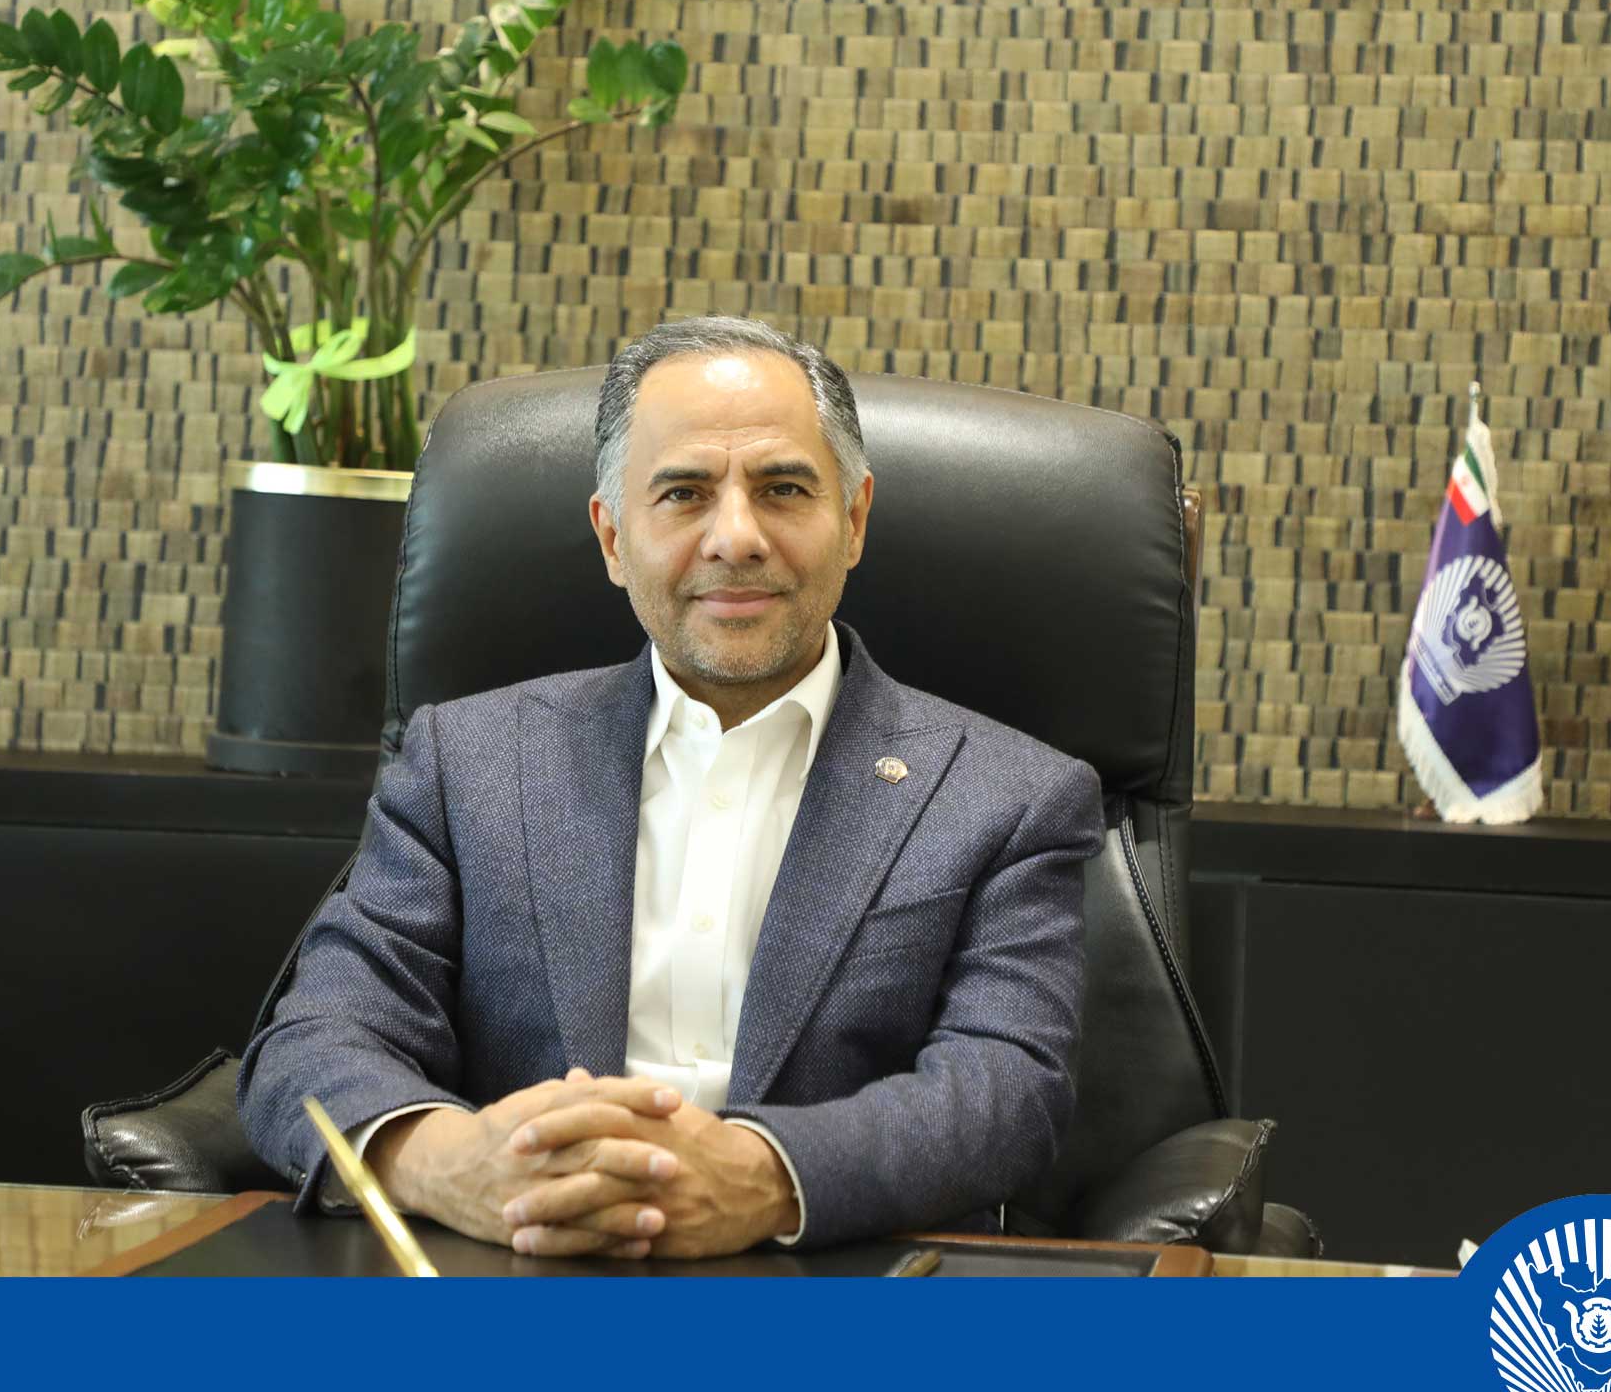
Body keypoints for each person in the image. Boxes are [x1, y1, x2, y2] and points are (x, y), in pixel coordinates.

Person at [238, 315, 1105, 1257]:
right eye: (684, 494)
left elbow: (1005, 1092)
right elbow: (315, 1038)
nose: (736, 537)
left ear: (853, 521)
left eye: (783, 489)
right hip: (517, 1273)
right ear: (613, 537)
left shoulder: (1009, 797)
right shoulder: (466, 763)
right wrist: (455, 1165)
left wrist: (765, 1178)